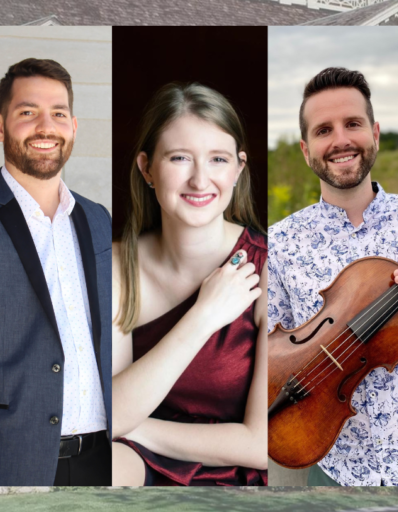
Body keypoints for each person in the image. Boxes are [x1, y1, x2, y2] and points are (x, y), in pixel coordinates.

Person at [0, 58, 112, 486]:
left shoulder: (99, 220)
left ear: (74, 126)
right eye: (28, 112)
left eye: (58, 114)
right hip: (15, 466)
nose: (46, 127)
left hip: (105, 463)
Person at [268, 68, 398, 486]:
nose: (340, 140)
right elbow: (262, 353)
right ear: (306, 149)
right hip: (333, 466)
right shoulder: (278, 243)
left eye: (352, 124)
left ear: (374, 132)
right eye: (324, 130)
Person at [112, 83, 268, 486]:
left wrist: (135, 428)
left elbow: (262, 444)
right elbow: (107, 413)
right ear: (147, 168)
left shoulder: (272, 268)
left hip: (236, 472)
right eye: (180, 158)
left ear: (238, 168)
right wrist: (204, 316)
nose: (200, 180)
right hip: (138, 461)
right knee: (105, 465)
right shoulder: (114, 265)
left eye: (218, 159)